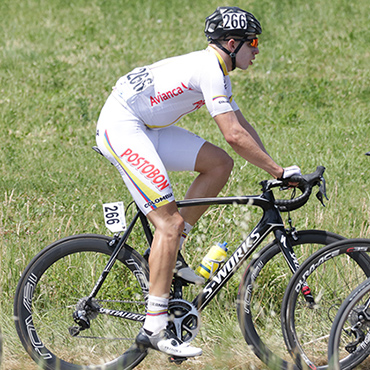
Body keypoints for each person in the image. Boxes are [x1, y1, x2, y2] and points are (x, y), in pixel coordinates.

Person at [95, 6, 301, 358]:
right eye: (253, 42)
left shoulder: (218, 71)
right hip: (122, 126)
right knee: (169, 223)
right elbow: (233, 134)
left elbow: (241, 126)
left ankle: (168, 254)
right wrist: (279, 174)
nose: (257, 49)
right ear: (232, 43)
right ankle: (154, 328)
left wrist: (280, 168)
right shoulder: (210, 69)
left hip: (146, 127)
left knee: (219, 164)